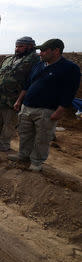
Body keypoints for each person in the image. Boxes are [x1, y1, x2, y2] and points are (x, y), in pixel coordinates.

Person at [8, 39, 80, 171]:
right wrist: (19, 101)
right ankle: (23, 155)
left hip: (46, 110)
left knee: (42, 138)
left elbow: (70, 92)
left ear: (56, 51)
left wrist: (60, 111)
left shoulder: (70, 68)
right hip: (27, 107)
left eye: (44, 50)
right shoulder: (39, 65)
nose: (40, 53)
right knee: (24, 134)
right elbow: (28, 84)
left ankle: (36, 162)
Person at [0, 36, 40, 152]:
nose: (17, 49)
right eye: (16, 46)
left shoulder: (34, 61)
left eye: (21, 47)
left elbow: (31, 80)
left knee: (9, 123)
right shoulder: (8, 59)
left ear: (30, 47)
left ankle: (4, 144)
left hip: (13, 98)